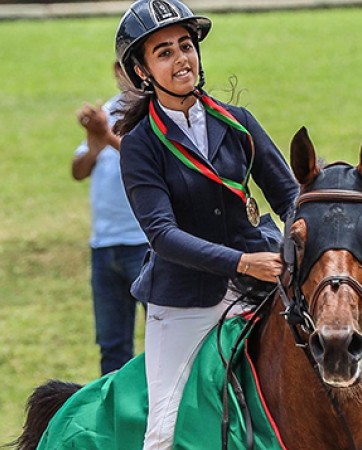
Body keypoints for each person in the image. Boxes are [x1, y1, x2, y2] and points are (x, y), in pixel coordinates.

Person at [113, 1, 299, 448]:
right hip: (185, 303)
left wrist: (296, 247)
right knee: (163, 431)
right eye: (164, 52)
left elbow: (290, 197)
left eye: (185, 46)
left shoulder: (238, 122)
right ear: (142, 71)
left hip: (263, 288)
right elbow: (163, 234)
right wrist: (242, 262)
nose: (181, 59)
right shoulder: (139, 146)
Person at [71, 61, 149, 375]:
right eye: (123, 69)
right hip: (104, 245)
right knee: (112, 345)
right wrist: (94, 143)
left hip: (143, 243)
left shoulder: (153, 112)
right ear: (117, 71)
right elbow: (77, 171)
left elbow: (144, 161)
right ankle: (116, 419)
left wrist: (106, 135)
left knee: (164, 339)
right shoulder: (108, 110)